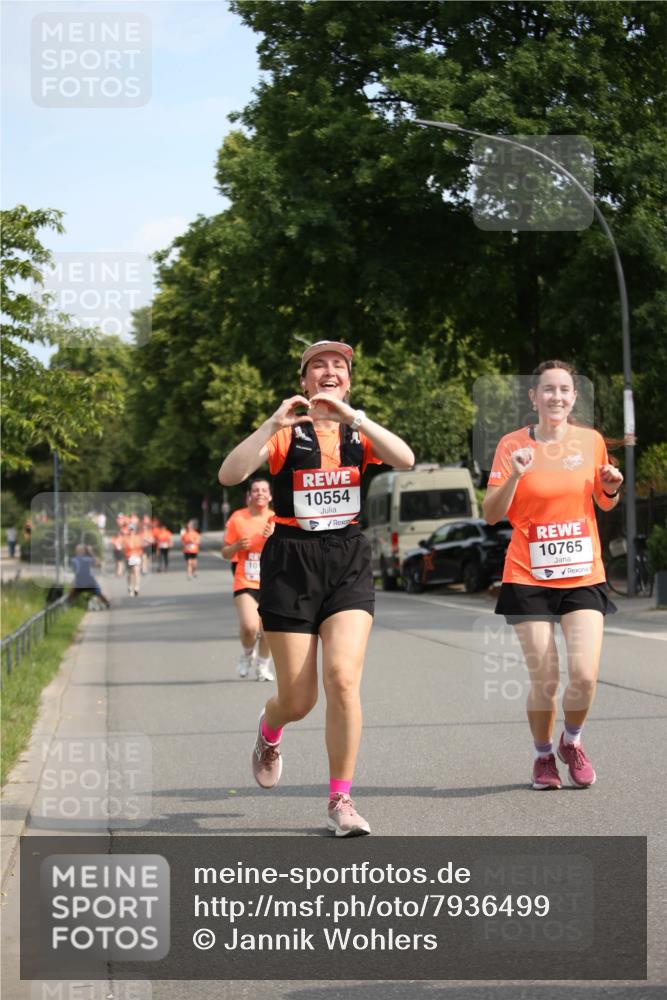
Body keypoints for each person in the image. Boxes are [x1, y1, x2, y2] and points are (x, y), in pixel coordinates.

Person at [218, 340, 414, 836]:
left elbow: (406, 459)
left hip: (346, 558)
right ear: (304, 381)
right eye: (318, 366)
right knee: (299, 700)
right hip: (290, 562)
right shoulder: (286, 437)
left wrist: (357, 418)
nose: (329, 372)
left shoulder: (358, 434)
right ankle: (270, 726)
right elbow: (230, 473)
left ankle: (340, 800)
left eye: (339, 367)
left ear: (348, 380)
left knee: (344, 679)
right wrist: (272, 424)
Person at [483, 360, 623, 791]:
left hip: (582, 573)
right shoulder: (511, 445)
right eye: (548, 390)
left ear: (574, 396)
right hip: (528, 575)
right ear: (534, 397)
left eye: (564, 390)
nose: (556, 397)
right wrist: (516, 476)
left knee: (584, 675)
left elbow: (604, 503)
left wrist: (612, 484)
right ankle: (543, 756)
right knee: (545, 678)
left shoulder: (591, 441)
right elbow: (491, 514)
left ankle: (572, 741)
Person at [222, 477, 276, 682]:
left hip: (271, 582)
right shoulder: (238, 518)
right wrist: (236, 547)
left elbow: (289, 552)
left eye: (264, 490)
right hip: (245, 580)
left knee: (269, 628)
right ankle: (247, 655)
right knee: (250, 627)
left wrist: (275, 537)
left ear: (270, 495)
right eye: (256, 490)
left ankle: (263, 666)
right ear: (249, 496)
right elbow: (225, 553)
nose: (260, 493)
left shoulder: (276, 519)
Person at [123, 524, 144, 597]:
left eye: (133, 529)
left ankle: (136, 588)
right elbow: (123, 548)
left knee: (136, 572)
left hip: (136, 556)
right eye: (130, 529)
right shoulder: (126, 538)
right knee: (130, 573)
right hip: (129, 557)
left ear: (135, 530)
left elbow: (141, 547)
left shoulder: (138, 538)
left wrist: (140, 554)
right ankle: (130, 587)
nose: (132, 531)